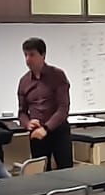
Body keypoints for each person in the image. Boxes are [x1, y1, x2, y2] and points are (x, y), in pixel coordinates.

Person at [17, 36, 73, 171]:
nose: (28, 59)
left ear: (43, 55)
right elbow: (22, 112)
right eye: (25, 55)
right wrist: (27, 123)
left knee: (66, 171)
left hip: (58, 131)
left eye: (32, 55)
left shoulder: (58, 75)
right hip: (37, 133)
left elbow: (63, 108)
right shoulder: (24, 81)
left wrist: (46, 128)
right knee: (41, 172)